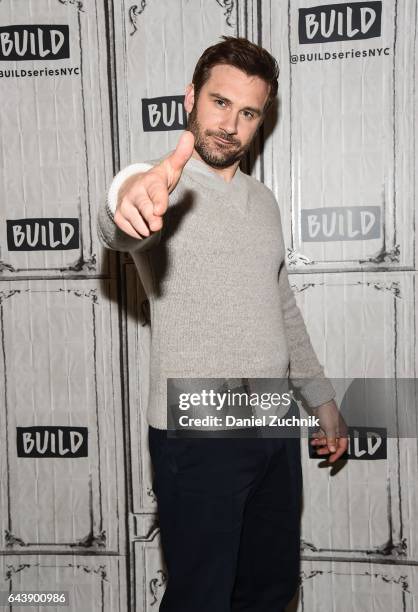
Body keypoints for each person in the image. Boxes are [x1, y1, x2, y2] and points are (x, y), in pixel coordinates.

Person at [97, 36, 348, 612]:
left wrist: (322, 399)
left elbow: (281, 304)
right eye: (219, 102)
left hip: (271, 422)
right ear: (190, 97)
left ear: (262, 120)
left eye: (248, 112)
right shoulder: (165, 184)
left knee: (270, 590)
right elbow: (123, 217)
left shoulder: (264, 202)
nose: (230, 124)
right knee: (202, 598)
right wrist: (125, 202)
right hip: (198, 429)